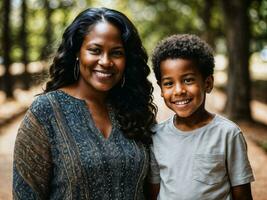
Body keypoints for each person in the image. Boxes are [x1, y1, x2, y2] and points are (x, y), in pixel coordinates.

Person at [13, 7, 157, 200]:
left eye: (116, 53)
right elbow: (25, 194)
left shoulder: (135, 109)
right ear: (77, 52)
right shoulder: (47, 111)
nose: (105, 61)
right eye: (95, 50)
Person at [149, 34, 254, 200]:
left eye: (188, 80)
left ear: (208, 83)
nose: (178, 91)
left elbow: (242, 194)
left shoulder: (228, 134)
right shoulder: (156, 136)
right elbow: (154, 193)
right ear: (161, 90)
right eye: (169, 83)